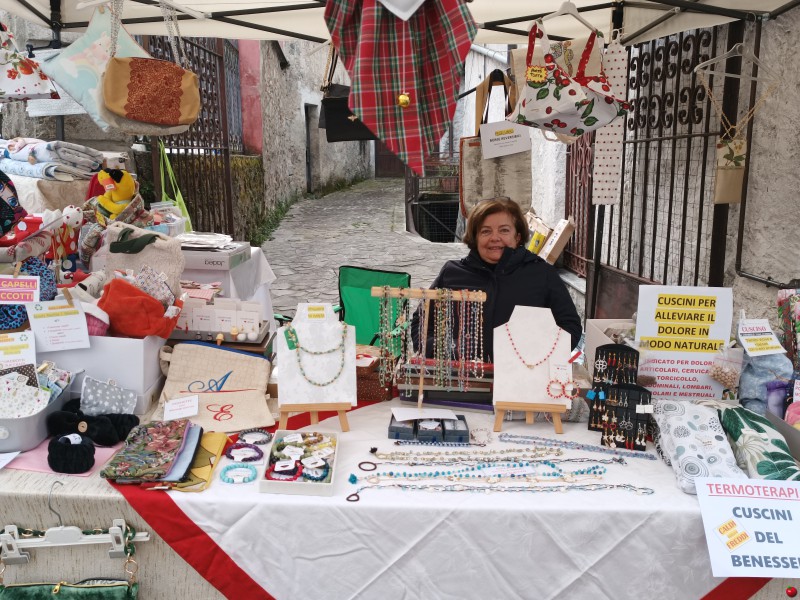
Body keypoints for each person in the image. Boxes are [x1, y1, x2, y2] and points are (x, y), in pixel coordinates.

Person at [413, 197, 582, 361]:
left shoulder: (542, 274)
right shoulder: (452, 273)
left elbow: (570, 327)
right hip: (464, 376)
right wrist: (452, 349)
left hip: (522, 376)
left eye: (504, 230)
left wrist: (534, 356)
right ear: (475, 237)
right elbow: (420, 323)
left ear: (517, 237)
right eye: (485, 231)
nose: (495, 238)